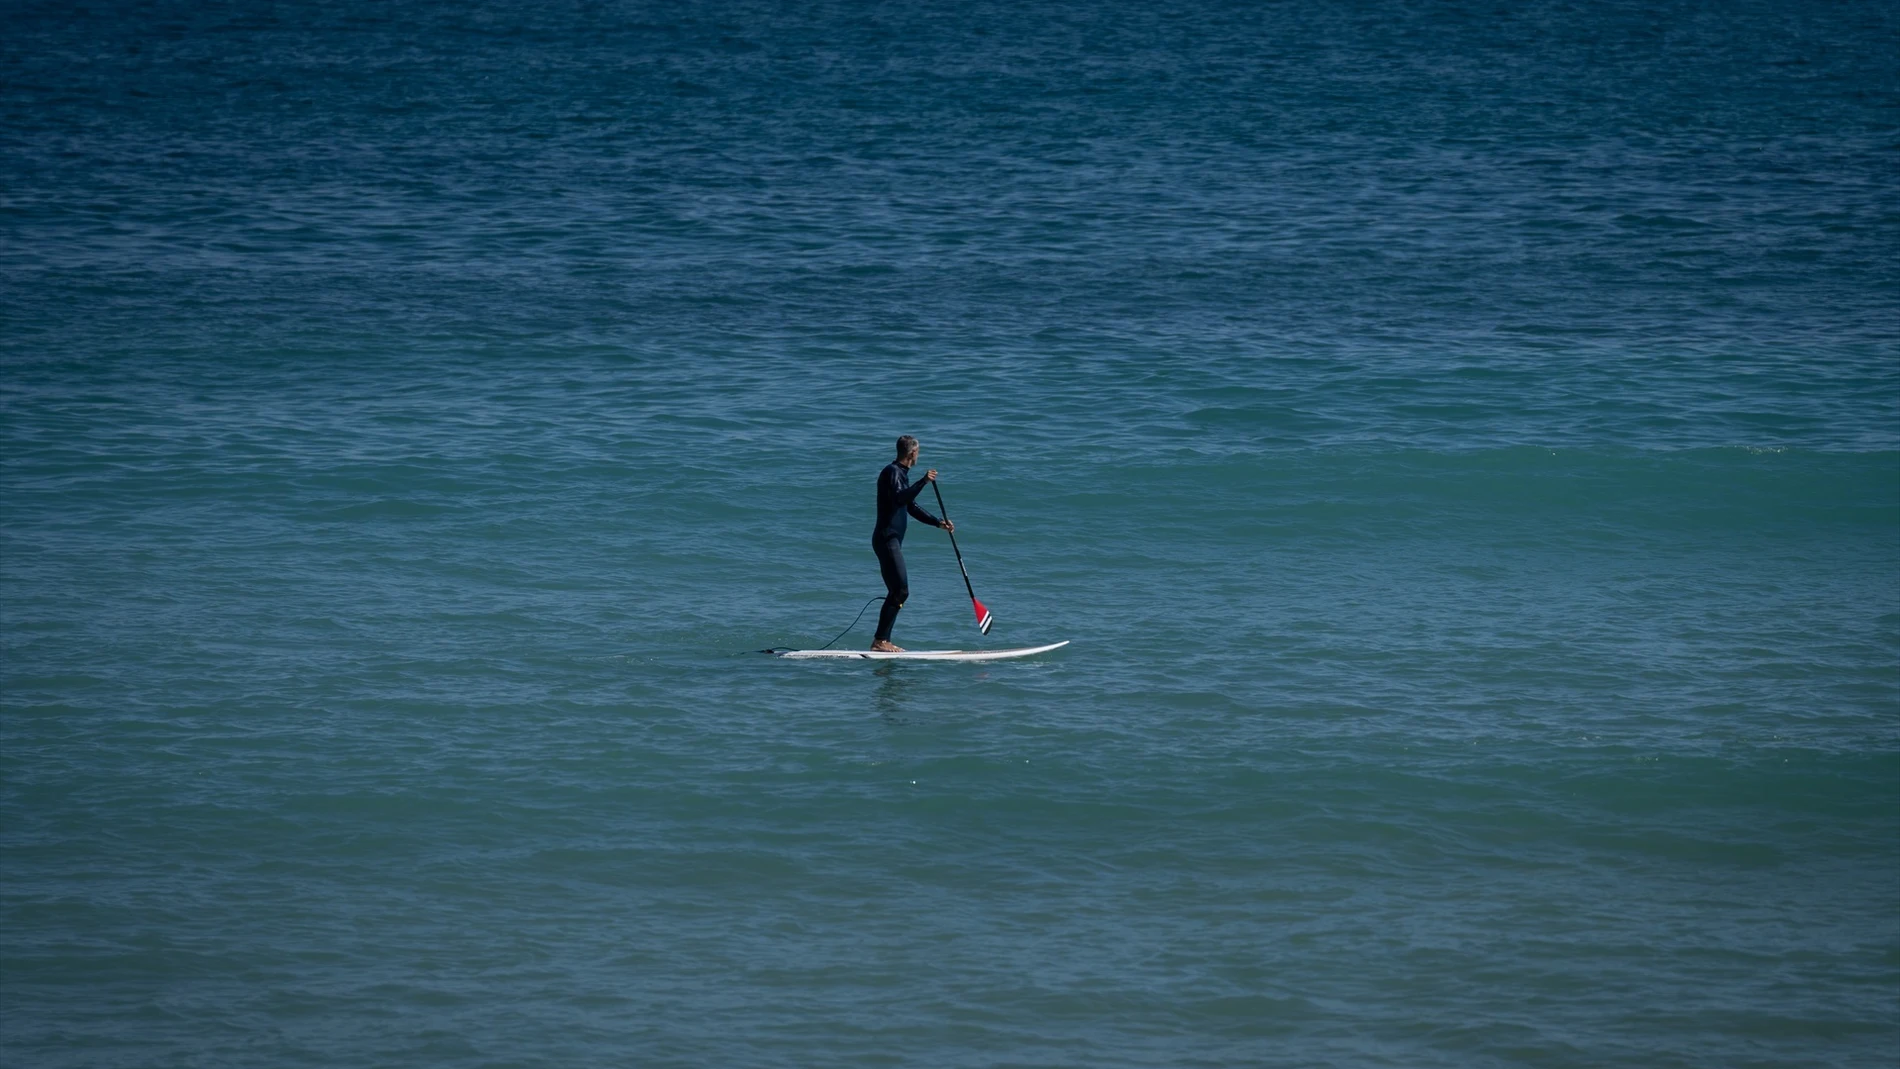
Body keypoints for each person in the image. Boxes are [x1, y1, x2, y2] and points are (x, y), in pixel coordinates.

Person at [870, 435, 953, 652]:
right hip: (887, 539)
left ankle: (881, 640)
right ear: (912, 453)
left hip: (890, 540)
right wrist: (923, 481)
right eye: (918, 453)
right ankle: (880, 641)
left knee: (898, 591)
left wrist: (938, 523)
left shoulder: (900, 475)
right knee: (901, 590)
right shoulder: (892, 472)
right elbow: (900, 498)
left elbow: (910, 506)